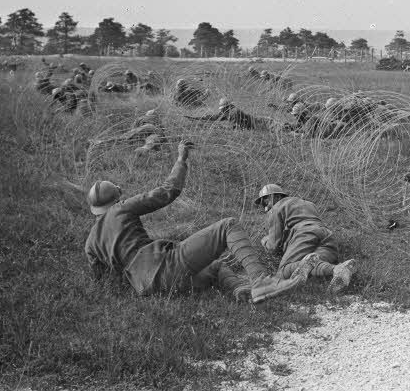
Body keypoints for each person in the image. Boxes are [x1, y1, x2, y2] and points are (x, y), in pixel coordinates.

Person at [84, 141, 306, 303]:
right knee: (227, 226)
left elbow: (102, 278)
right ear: (117, 198)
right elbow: (167, 192)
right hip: (166, 267)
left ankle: (240, 289)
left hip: (148, 288)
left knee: (217, 266)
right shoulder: (120, 209)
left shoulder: (91, 243)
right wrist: (181, 160)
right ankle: (261, 281)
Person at [255, 184, 357, 295]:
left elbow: (273, 247)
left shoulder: (276, 208)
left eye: (265, 200)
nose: (264, 206)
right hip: (326, 235)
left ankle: (322, 269)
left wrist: (265, 241)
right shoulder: (309, 204)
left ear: (276, 197)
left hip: (304, 234)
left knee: (283, 271)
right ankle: (338, 269)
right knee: (310, 264)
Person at [89, 109, 166, 157]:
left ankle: (101, 142)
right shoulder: (158, 119)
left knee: (125, 137)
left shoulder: (142, 118)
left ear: (147, 114)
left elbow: (133, 129)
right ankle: (145, 148)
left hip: (146, 127)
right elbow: (163, 131)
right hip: (156, 130)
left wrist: (135, 136)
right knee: (153, 137)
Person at [186, 98, 269, 131]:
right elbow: (213, 117)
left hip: (260, 122)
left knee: (280, 128)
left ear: (227, 107)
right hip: (256, 123)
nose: (221, 110)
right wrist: (196, 118)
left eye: (222, 108)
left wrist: (217, 128)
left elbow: (236, 128)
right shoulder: (226, 112)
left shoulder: (234, 112)